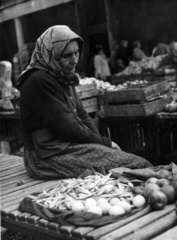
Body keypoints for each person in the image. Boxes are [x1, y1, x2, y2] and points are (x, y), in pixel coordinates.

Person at [16, 25, 152, 181]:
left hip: (63, 146)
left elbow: (81, 114)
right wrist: (105, 144)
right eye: (67, 55)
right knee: (137, 165)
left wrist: (101, 143)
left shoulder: (61, 74)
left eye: (76, 53)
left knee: (132, 165)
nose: (74, 60)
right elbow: (69, 127)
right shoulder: (39, 80)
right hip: (44, 158)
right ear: (51, 54)